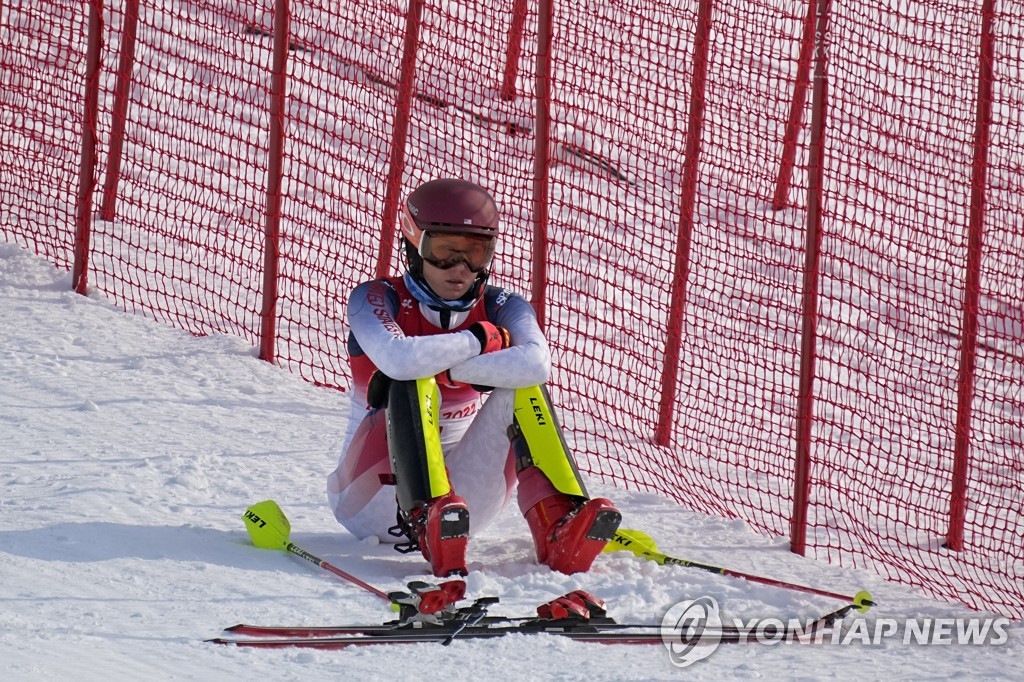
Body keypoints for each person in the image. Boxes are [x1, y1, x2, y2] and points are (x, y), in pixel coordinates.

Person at [328, 178, 621, 579]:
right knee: (410, 379)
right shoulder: (375, 297)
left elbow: (536, 364)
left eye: (475, 254)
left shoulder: (503, 304)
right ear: (415, 246)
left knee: (522, 390)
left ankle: (558, 525)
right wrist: (478, 339)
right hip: (369, 499)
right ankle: (426, 512)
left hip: (461, 511)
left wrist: (449, 366)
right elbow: (398, 359)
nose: (460, 269)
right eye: (444, 252)